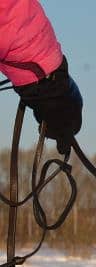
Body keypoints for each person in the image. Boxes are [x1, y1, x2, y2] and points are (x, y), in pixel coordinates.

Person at [0, 0, 82, 154]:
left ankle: (61, 127)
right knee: (68, 110)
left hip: (42, 75)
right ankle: (61, 128)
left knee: (66, 112)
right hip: (45, 71)